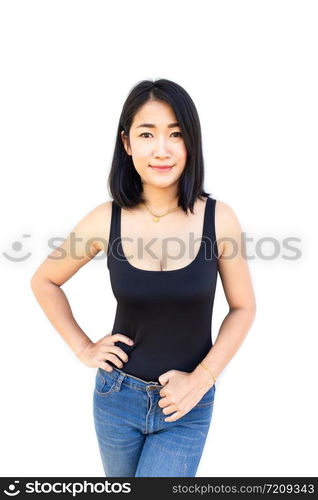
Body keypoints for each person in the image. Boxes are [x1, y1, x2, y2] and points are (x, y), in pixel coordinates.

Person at [30, 78, 256, 477]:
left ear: (191, 143)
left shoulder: (219, 218)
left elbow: (243, 308)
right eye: (147, 134)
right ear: (127, 143)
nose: (162, 149)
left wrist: (202, 379)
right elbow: (45, 281)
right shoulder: (106, 218)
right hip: (116, 398)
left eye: (175, 134)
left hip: (186, 403)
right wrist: (83, 347)